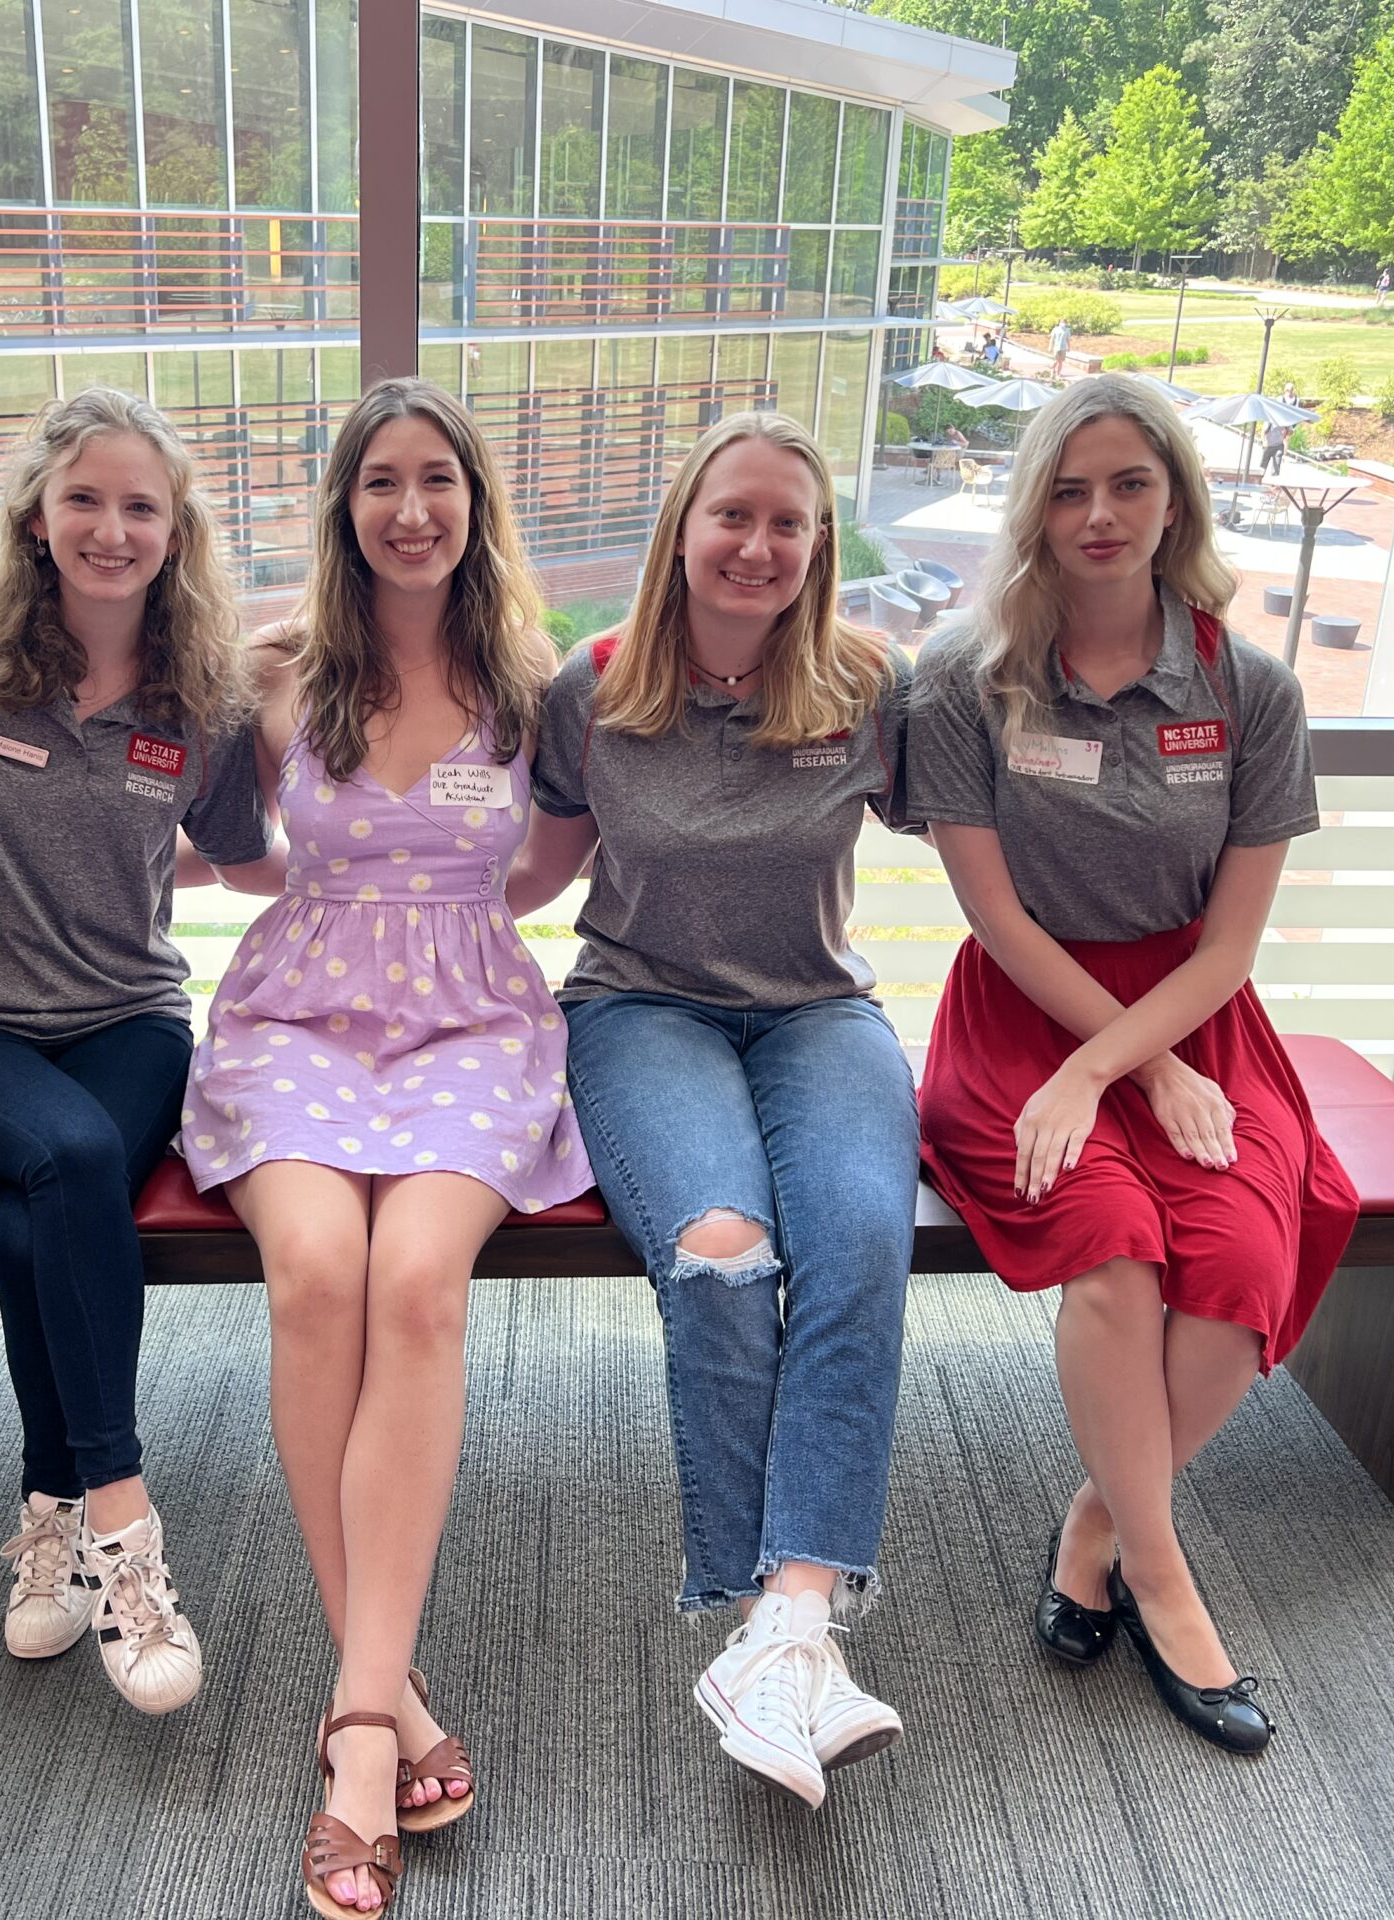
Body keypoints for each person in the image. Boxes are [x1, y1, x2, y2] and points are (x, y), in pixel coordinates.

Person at [181, 377, 590, 1914]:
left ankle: (359, 1712)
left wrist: (439, 932)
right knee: (316, 1280)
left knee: (416, 1283)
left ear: (475, 506)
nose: (411, 509)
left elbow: (546, 871)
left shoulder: (537, 688)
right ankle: (384, 1709)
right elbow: (230, 865)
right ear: (344, 507)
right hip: (294, 1019)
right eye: (381, 483)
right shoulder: (278, 674)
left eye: (439, 481)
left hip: (474, 1028)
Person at [906, 376, 1358, 1757]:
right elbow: (995, 916)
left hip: (1193, 1020)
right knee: (1112, 1250)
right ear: (1033, 505)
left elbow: (1230, 948)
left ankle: (1101, 1519)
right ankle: (1166, 1580)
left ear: (1176, 501)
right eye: (1069, 487)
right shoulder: (960, 678)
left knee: (1234, 1263)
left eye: (1130, 486)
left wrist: (1140, 1064)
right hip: (1022, 1014)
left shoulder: (1250, 686)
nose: (1099, 515)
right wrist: (1108, 1069)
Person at [512, 412, 918, 1811]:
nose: (757, 545)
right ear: (682, 527)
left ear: (816, 550)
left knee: (863, 1240)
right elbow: (526, 873)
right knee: (728, 1251)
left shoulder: (871, 684)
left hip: (819, 1012)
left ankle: (785, 1623)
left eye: (788, 524)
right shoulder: (598, 686)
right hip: (642, 1011)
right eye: (732, 516)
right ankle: (779, 1627)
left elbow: (995, 825)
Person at [0, 390, 273, 1706]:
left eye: (142, 507)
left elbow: (236, 861)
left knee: (27, 1227)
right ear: (38, 517)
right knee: (61, 1158)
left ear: (178, 533)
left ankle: (45, 1508)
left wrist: (401, 867)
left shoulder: (204, 696)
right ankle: (126, 1527)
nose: (112, 529)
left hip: (130, 1020)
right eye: (86, 501)